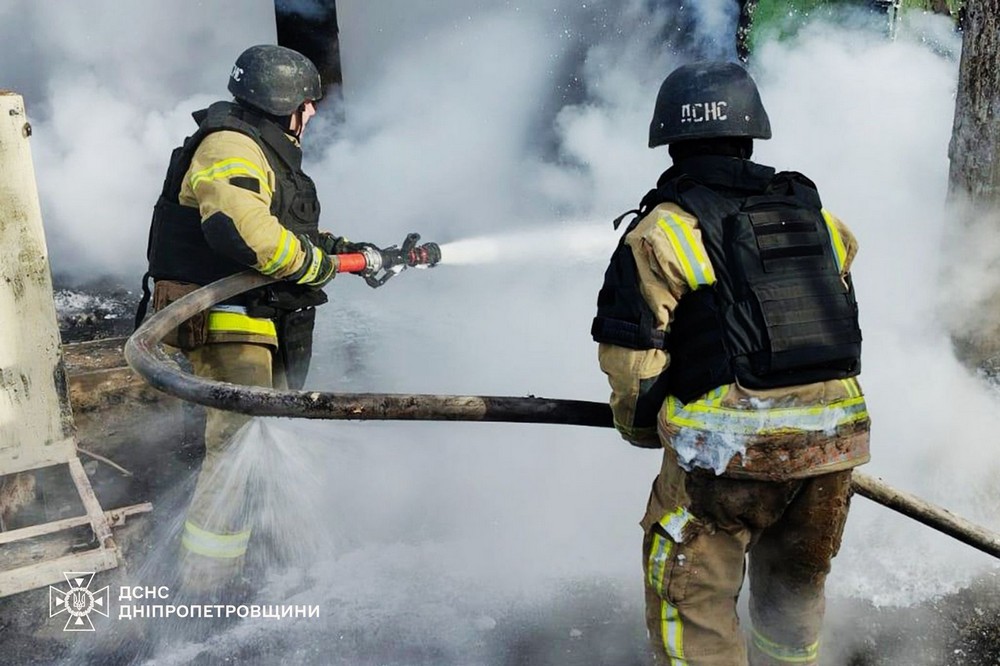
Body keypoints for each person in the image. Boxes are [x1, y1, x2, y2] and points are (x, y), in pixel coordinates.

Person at [593, 61, 871, 665]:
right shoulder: (820, 219)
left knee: (692, 605)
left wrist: (640, 429)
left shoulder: (660, 231)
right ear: (750, 137)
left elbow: (634, 363)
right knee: (791, 602)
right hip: (834, 447)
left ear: (670, 143)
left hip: (726, 461)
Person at [138, 44, 367, 595]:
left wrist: (342, 250)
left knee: (274, 433)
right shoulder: (230, 144)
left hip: (261, 315)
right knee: (238, 441)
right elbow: (241, 230)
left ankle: (284, 557)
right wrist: (316, 265)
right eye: (307, 104)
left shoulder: (261, 147)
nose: (311, 113)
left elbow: (282, 226)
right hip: (227, 317)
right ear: (284, 101)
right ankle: (208, 583)